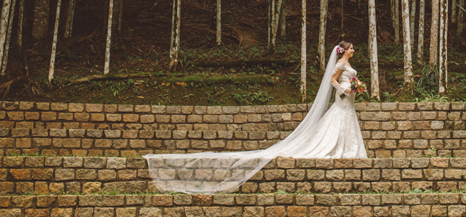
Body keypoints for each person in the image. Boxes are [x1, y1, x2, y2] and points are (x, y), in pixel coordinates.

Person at [145, 41, 367, 193]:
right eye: (352, 48)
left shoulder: (348, 64)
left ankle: (347, 149)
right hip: (342, 96)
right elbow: (331, 80)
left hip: (349, 97)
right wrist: (344, 89)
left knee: (346, 119)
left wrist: (356, 87)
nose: (354, 50)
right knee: (338, 117)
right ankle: (334, 147)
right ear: (344, 50)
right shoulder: (340, 64)